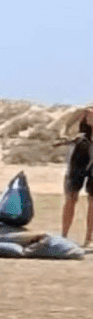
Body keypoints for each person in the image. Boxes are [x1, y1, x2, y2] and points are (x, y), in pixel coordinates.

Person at [64, 103, 93, 246]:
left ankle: (88, 238)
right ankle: (64, 235)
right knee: (71, 196)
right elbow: (69, 123)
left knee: (92, 200)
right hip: (79, 156)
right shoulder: (87, 111)